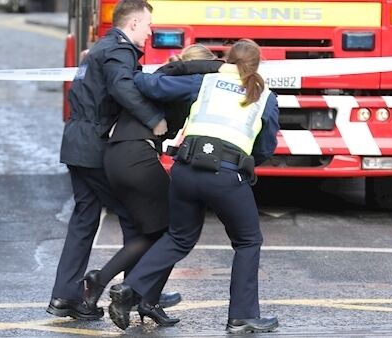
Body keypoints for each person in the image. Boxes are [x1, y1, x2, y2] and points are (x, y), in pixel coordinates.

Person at [107, 39, 280, 334]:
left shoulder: (206, 82)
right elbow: (266, 146)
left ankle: (130, 289)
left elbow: (154, 86)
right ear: (257, 64)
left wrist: (129, 73)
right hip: (227, 174)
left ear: (227, 59)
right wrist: (245, 163)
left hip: (185, 169)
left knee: (179, 237)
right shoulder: (265, 96)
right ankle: (242, 316)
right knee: (248, 241)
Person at [47, 0, 179, 320]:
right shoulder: (118, 50)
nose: (150, 32)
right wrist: (154, 120)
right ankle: (139, 289)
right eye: (147, 25)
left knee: (84, 219)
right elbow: (122, 88)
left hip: (76, 142)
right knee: (137, 218)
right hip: (93, 147)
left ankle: (66, 295)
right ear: (132, 24)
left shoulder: (100, 48)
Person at [82, 44, 224, 325]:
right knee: (172, 232)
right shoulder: (184, 84)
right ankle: (137, 295)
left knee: (148, 233)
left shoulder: (166, 77)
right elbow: (186, 71)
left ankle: (112, 285)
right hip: (136, 157)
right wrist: (223, 67)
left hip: (118, 156)